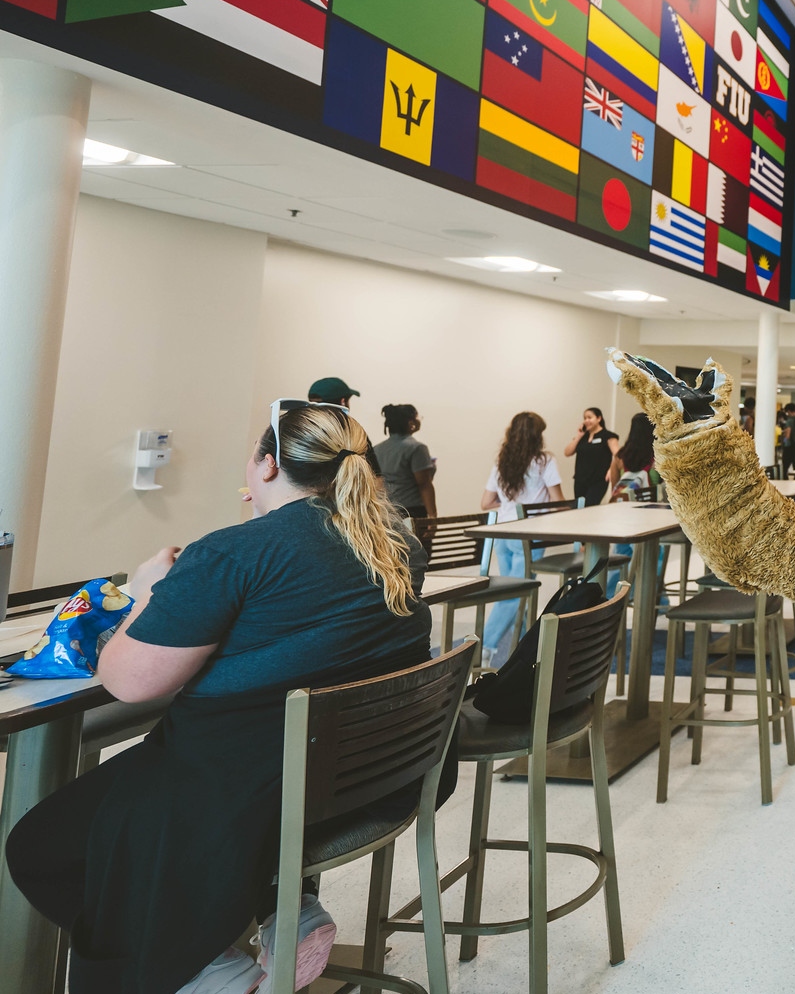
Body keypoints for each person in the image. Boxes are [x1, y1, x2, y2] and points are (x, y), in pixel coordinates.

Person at [5, 403, 428, 994]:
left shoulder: (231, 554)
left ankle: (198, 965)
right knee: (139, 808)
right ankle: (284, 903)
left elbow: (128, 682)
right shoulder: (393, 544)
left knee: (41, 846)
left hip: (248, 788)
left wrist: (149, 594)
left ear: (267, 464)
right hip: (366, 777)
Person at [481, 411, 563, 665]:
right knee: (515, 593)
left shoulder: (502, 462)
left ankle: (528, 646)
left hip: (503, 534)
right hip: (529, 535)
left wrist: (509, 503)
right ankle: (483, 647)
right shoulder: (544, 462)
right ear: (537, 436)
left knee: (518, 590)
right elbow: (559, 502)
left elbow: (485, 502)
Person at [373, 402, 437, 521]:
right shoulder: (417, 448)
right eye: (418, 417)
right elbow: (424, 485)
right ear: (411, 423)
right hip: (413, 512)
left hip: (387, 512)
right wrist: (433, 517)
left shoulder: (376, 450)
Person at [562, 406, 619, 508]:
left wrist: (611, 469)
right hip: (580, 479)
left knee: (589, 507)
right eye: (585, 418)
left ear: (599, 418)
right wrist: (578, 436)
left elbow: (618, 455)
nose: (586, 420)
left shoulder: (608, 436)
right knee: (579, 508)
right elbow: (567, 453)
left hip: (598, 479)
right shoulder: (582, 437)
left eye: (589, 417)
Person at [607, 413, 656, 502]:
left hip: (625, 509)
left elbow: (615, 488)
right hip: (651, 509)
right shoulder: (657, 456)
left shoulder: (620, 456)